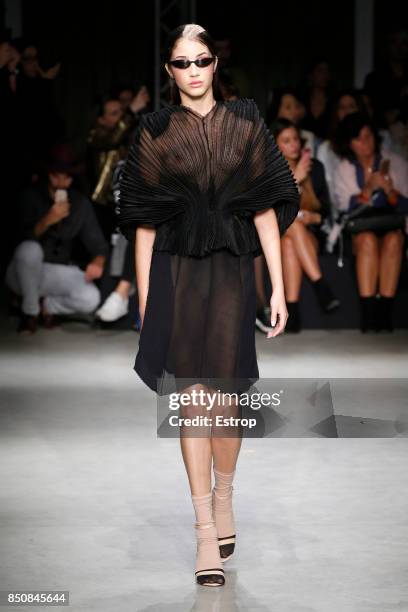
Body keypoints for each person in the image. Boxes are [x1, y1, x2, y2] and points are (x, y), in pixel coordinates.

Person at [116, 24, 299, 587]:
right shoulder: (154, 130)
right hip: (175, 272)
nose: (193, 70)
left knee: (224, 398)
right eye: (181, 62)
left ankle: (225, 495)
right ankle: (203, 533)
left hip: (230, 272)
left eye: (201, 60)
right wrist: (147, 300)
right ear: (169, 72)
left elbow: (266, 207)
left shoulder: (245, 122)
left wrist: (279, 288)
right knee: (191, 400)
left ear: (215, 64)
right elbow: (144, 225)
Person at [5, 143, 109, 334]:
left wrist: (99, 261)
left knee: (91, 298)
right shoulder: (31, 196)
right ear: (48, 175)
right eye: (56, 175)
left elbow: (99, 245)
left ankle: (47, 306)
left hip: (55, 272)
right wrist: (47, 220)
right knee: (29, 250)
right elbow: (17, 240)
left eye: (66, 177)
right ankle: (30, 313)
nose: (61, 182)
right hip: (22, 272)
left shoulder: (79, 204)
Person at [333, 112, 408, 332]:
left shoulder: (394, 162)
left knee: (394, 240)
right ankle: (368, 315)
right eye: (359, 138)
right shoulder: (344, 168)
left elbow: (405, 203)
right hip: (359, 230)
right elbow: (343, 208)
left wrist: (389, 190)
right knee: (367, 241)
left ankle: (384, 313)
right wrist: (367, 190)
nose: (366, 142)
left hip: (391, 225)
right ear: (350, 143)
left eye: (368, 136)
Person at [271, 118, 340, 331]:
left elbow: (327, 210)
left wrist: (315, 218)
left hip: (310, 234)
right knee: (290, 235)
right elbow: (268, 213)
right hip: (278, 234)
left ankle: (291, 315)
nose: (294, 145)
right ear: (275, 144)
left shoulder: (315, 168)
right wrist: (296, 179)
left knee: (295, 233)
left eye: (296, 139)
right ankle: (320, 285)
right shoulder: (270, 171)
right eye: (286, 141)